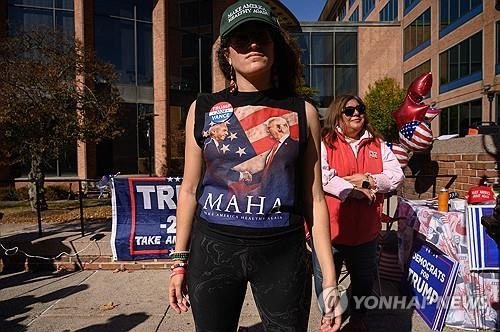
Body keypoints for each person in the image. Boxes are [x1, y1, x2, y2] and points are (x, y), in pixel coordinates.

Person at [168, 1, 341, 331]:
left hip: (283, 254)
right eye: (241, 38)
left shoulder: (302, 112)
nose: (252, 44)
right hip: (213, 251)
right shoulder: (202, 108)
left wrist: (330, 284)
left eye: (262, 36)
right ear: (227, 54)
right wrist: (178, 263)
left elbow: (315, 200)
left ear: (276, 47)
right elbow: (189, 190)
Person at [313, 95, 405, 330]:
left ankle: (359, 317)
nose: (356, 114)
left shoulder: (377, 144)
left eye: (360, 109)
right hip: (330, 231)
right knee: (325, 279)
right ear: (337, 114)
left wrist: (368, 180)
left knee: (363, 281)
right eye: (349, 110)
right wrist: (352, 190)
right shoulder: (324, 141)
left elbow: (396, 176)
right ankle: (329, 317)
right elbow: (321, 177)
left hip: (366, 232)